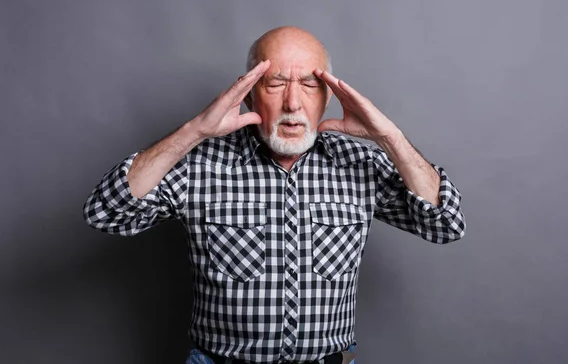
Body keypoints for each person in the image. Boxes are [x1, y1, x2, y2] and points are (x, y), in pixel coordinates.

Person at [83, 26, 466, 364]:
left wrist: (390, 138)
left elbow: (445, 224)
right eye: (276, 83)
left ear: (329, 96)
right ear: (249, 94)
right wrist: (194, 132)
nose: (293, 103)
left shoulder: (359, 165)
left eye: (310, 85)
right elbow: (106, 213)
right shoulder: (199, 164)